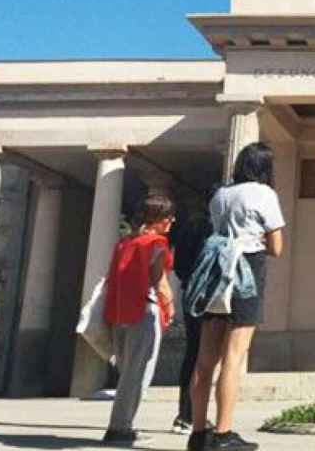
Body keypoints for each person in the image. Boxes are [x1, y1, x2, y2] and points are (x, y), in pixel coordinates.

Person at [189, 143, 286, 451]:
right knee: (233, 357)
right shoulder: (263, 194)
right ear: (265, 168)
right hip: (246, 272)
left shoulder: (221, 195)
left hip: (216, 273)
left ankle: (198, 433)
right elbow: (276, 247)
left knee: (205, 361)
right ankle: (223, 433)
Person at [102, 194, 177, 446]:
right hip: (143, 312)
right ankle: (120, 427)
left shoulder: (125, 242)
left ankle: (123, 424)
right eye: (168, 217)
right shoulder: (155, 243)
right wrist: (170, 305)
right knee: (138, 373)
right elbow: (160, 281)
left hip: (119, 313)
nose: (171, 221)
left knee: (127, 371)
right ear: (156, 219)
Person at [170, 200, 215, 435]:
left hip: (189, 292)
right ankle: (193, 416)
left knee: (192, 353)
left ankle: (185, 414)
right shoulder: (213, 228)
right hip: (208, 296)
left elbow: (177, 266)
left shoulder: (189, 228)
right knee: (204, 356)